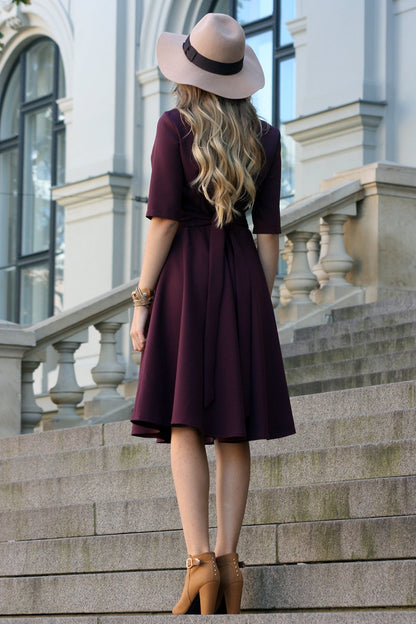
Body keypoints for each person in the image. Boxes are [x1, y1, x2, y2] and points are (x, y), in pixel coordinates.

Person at [130, 12, 296, 615]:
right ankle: (228, 565)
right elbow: (269, 233)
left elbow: (164, 221)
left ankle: (198, 562)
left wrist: (142, 301)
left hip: (183, 281)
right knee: (233, 426)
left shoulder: (173, 126)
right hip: (241, 275)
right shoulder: (267, 138)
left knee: (186, 424)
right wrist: (258, 302)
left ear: (190, 72)